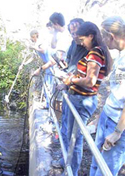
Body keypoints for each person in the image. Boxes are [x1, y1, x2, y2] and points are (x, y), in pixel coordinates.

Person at [62, 21, 112, 176]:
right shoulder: (98, 52)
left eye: (83, 39)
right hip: (79, 99)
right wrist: (75, 76)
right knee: (73, 138)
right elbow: (88, 77)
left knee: (75, 140)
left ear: (91, 36)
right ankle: (70, 169)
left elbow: (90, 81)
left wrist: (72, 80)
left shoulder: (95, 52)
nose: (81, 43)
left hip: (82, 101)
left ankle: (72, 172)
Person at [90, 16, 125, 176]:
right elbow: (116, 90)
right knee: (95, 163)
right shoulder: (120, 56)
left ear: (111, 36)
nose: (102, 41)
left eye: (103, 37)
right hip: (107, 116)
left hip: (117, 124)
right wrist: (100, 115)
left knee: (105, 171)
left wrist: (118, 132)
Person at [52, 18, 88, 169]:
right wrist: (64, 67)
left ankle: (72, 168)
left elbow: (88, 78)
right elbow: (70, 62)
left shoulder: (91, 49)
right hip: (70, 91)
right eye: (72, 33)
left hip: (80, 96)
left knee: (76, 136)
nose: (75, 36)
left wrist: (68, 80)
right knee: (66, 129)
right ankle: (64, 160)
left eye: (77, 33)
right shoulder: (74, 43)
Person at [30, 29, 53, 108]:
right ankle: (47, 103)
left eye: (32, 37)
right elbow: (32, 57)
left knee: (49, 85)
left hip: (50, 65)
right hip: (47, 65)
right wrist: (23, 65)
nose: (32, 39)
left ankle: (48, 104)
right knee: (47, 84)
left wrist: (34, 48)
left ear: (36, 35)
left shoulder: (40, 42)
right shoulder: (36, 44)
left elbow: (43, 50)